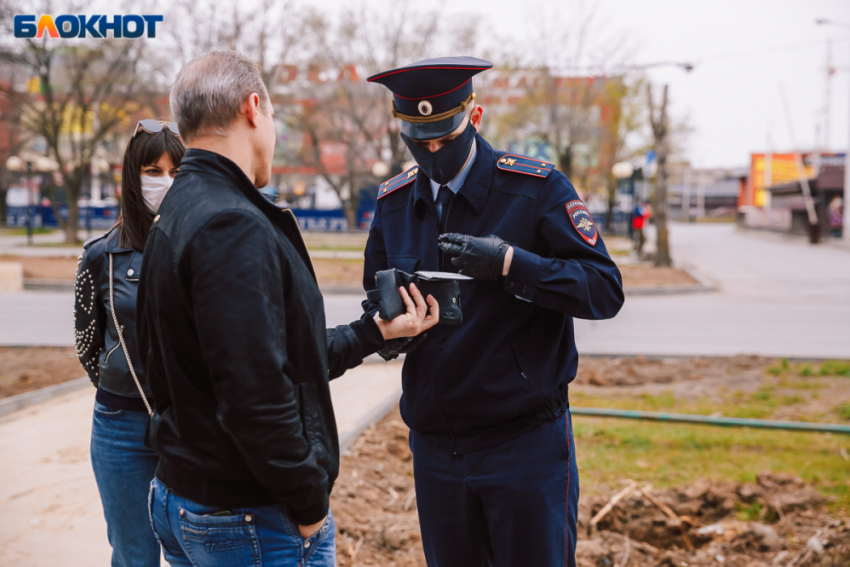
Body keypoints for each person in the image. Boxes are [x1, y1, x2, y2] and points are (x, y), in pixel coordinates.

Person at [136, 50, 438, 567]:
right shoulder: (231, 223)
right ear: (254, 108)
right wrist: (307, 502)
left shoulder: (182, 206)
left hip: (185, 497)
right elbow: (254, 392)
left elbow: (275, 355)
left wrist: (376, 332)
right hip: (250, 515)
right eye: (274, 116)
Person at [365, 57, 625, 567]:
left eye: (445, 135)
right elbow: (377, 297)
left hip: (523, 444)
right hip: (438, 448)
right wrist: (391, 326)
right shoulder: (394, 203)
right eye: (419, 140)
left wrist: (511, 263)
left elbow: (603, 289)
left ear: (475, 117)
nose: (433, 151)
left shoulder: (535, 189)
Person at [74, 117, 185, 567]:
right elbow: (87, 346)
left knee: (194, 550)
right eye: (153, 171)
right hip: (120, 428)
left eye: (176, 171)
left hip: (191, 423)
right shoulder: (100, 255)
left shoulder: (206, 244)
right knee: (134, 554)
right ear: (131, 175)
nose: (165, 181)